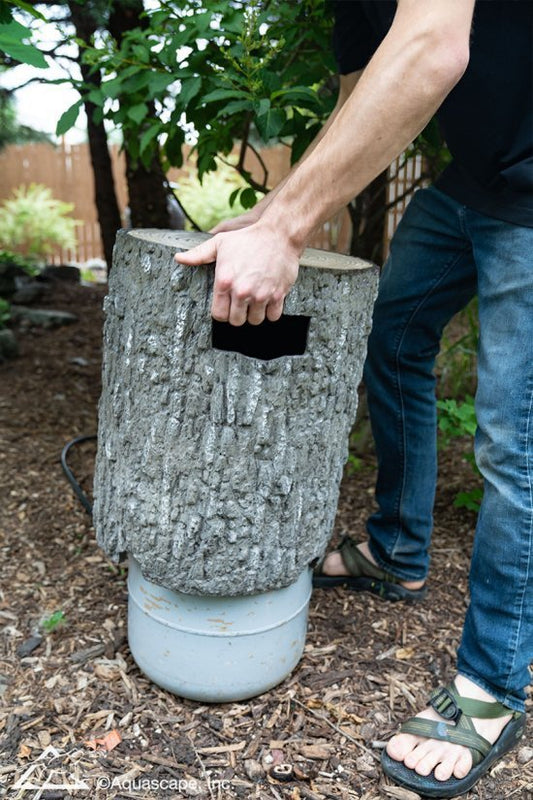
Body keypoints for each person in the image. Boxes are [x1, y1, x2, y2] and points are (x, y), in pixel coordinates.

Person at [177, 1, 532, 796]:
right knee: (395, 335)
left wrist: (286, 230)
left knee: (515, 442)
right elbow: (355, 103)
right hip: (473, 186)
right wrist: (272, 217)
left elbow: (432, 49)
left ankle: (491, 689)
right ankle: (398, 552)